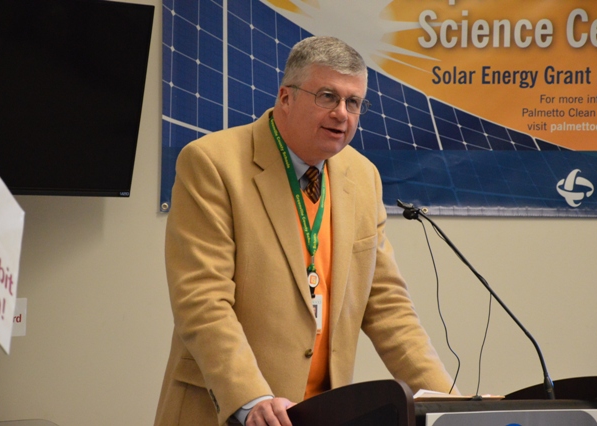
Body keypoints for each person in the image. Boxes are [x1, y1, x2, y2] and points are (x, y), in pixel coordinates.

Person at [154, 36, 456, 426]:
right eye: (328, 97)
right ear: (286, 97)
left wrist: (450, 404)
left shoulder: (362, 176)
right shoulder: (212, 164)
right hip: (228, 411)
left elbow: (387, 306)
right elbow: (202, 300)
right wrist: (252, 398)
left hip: (322, 413)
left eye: (354, 102)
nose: (342, 114)